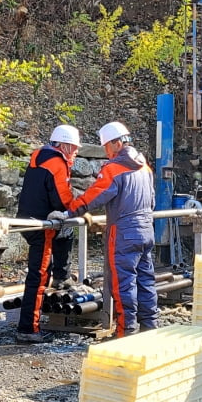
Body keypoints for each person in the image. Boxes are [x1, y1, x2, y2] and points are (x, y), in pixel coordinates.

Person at [50, 121, 158, 337]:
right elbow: (152, 201)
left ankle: (125, 333)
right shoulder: (145, 167)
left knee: (123, 285)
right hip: (146, 230)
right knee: (146, 281)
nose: (106, 153)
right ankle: (150, 328)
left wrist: (68, 213)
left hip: (124, 234)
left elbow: (95, 196)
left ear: (117, 144)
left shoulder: (114, 168)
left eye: (107, 147)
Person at [15, 124, 81, 344]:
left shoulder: (39, 156)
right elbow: (63, 198)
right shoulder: (57, 163)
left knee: (67, 233)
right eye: (73, 148)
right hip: (41, 224)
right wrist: (78, 207)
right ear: (63, 145)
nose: (75, 153)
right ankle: (28, 328)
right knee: (39, 275)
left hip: (27, 218)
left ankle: (61, 277)